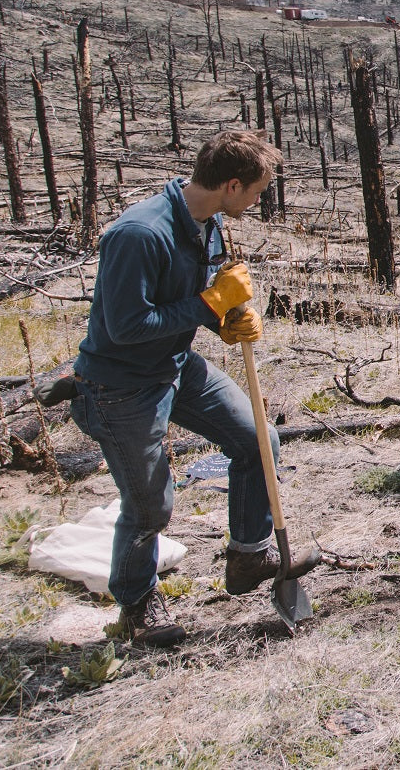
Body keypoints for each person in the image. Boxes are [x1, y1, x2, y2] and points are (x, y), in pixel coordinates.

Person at [70, 129, 308, 648]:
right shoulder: (138, 234)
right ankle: (137, 603)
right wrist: (209, 306)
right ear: (230, 183)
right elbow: (125, 327)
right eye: (257, 190)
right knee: (151, 505)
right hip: (122, 386)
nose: (259, 200)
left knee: (258, 439)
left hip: (175, 365)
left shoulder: (207, 221)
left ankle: (249, 555)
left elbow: (193, 296)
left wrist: (226, 320)